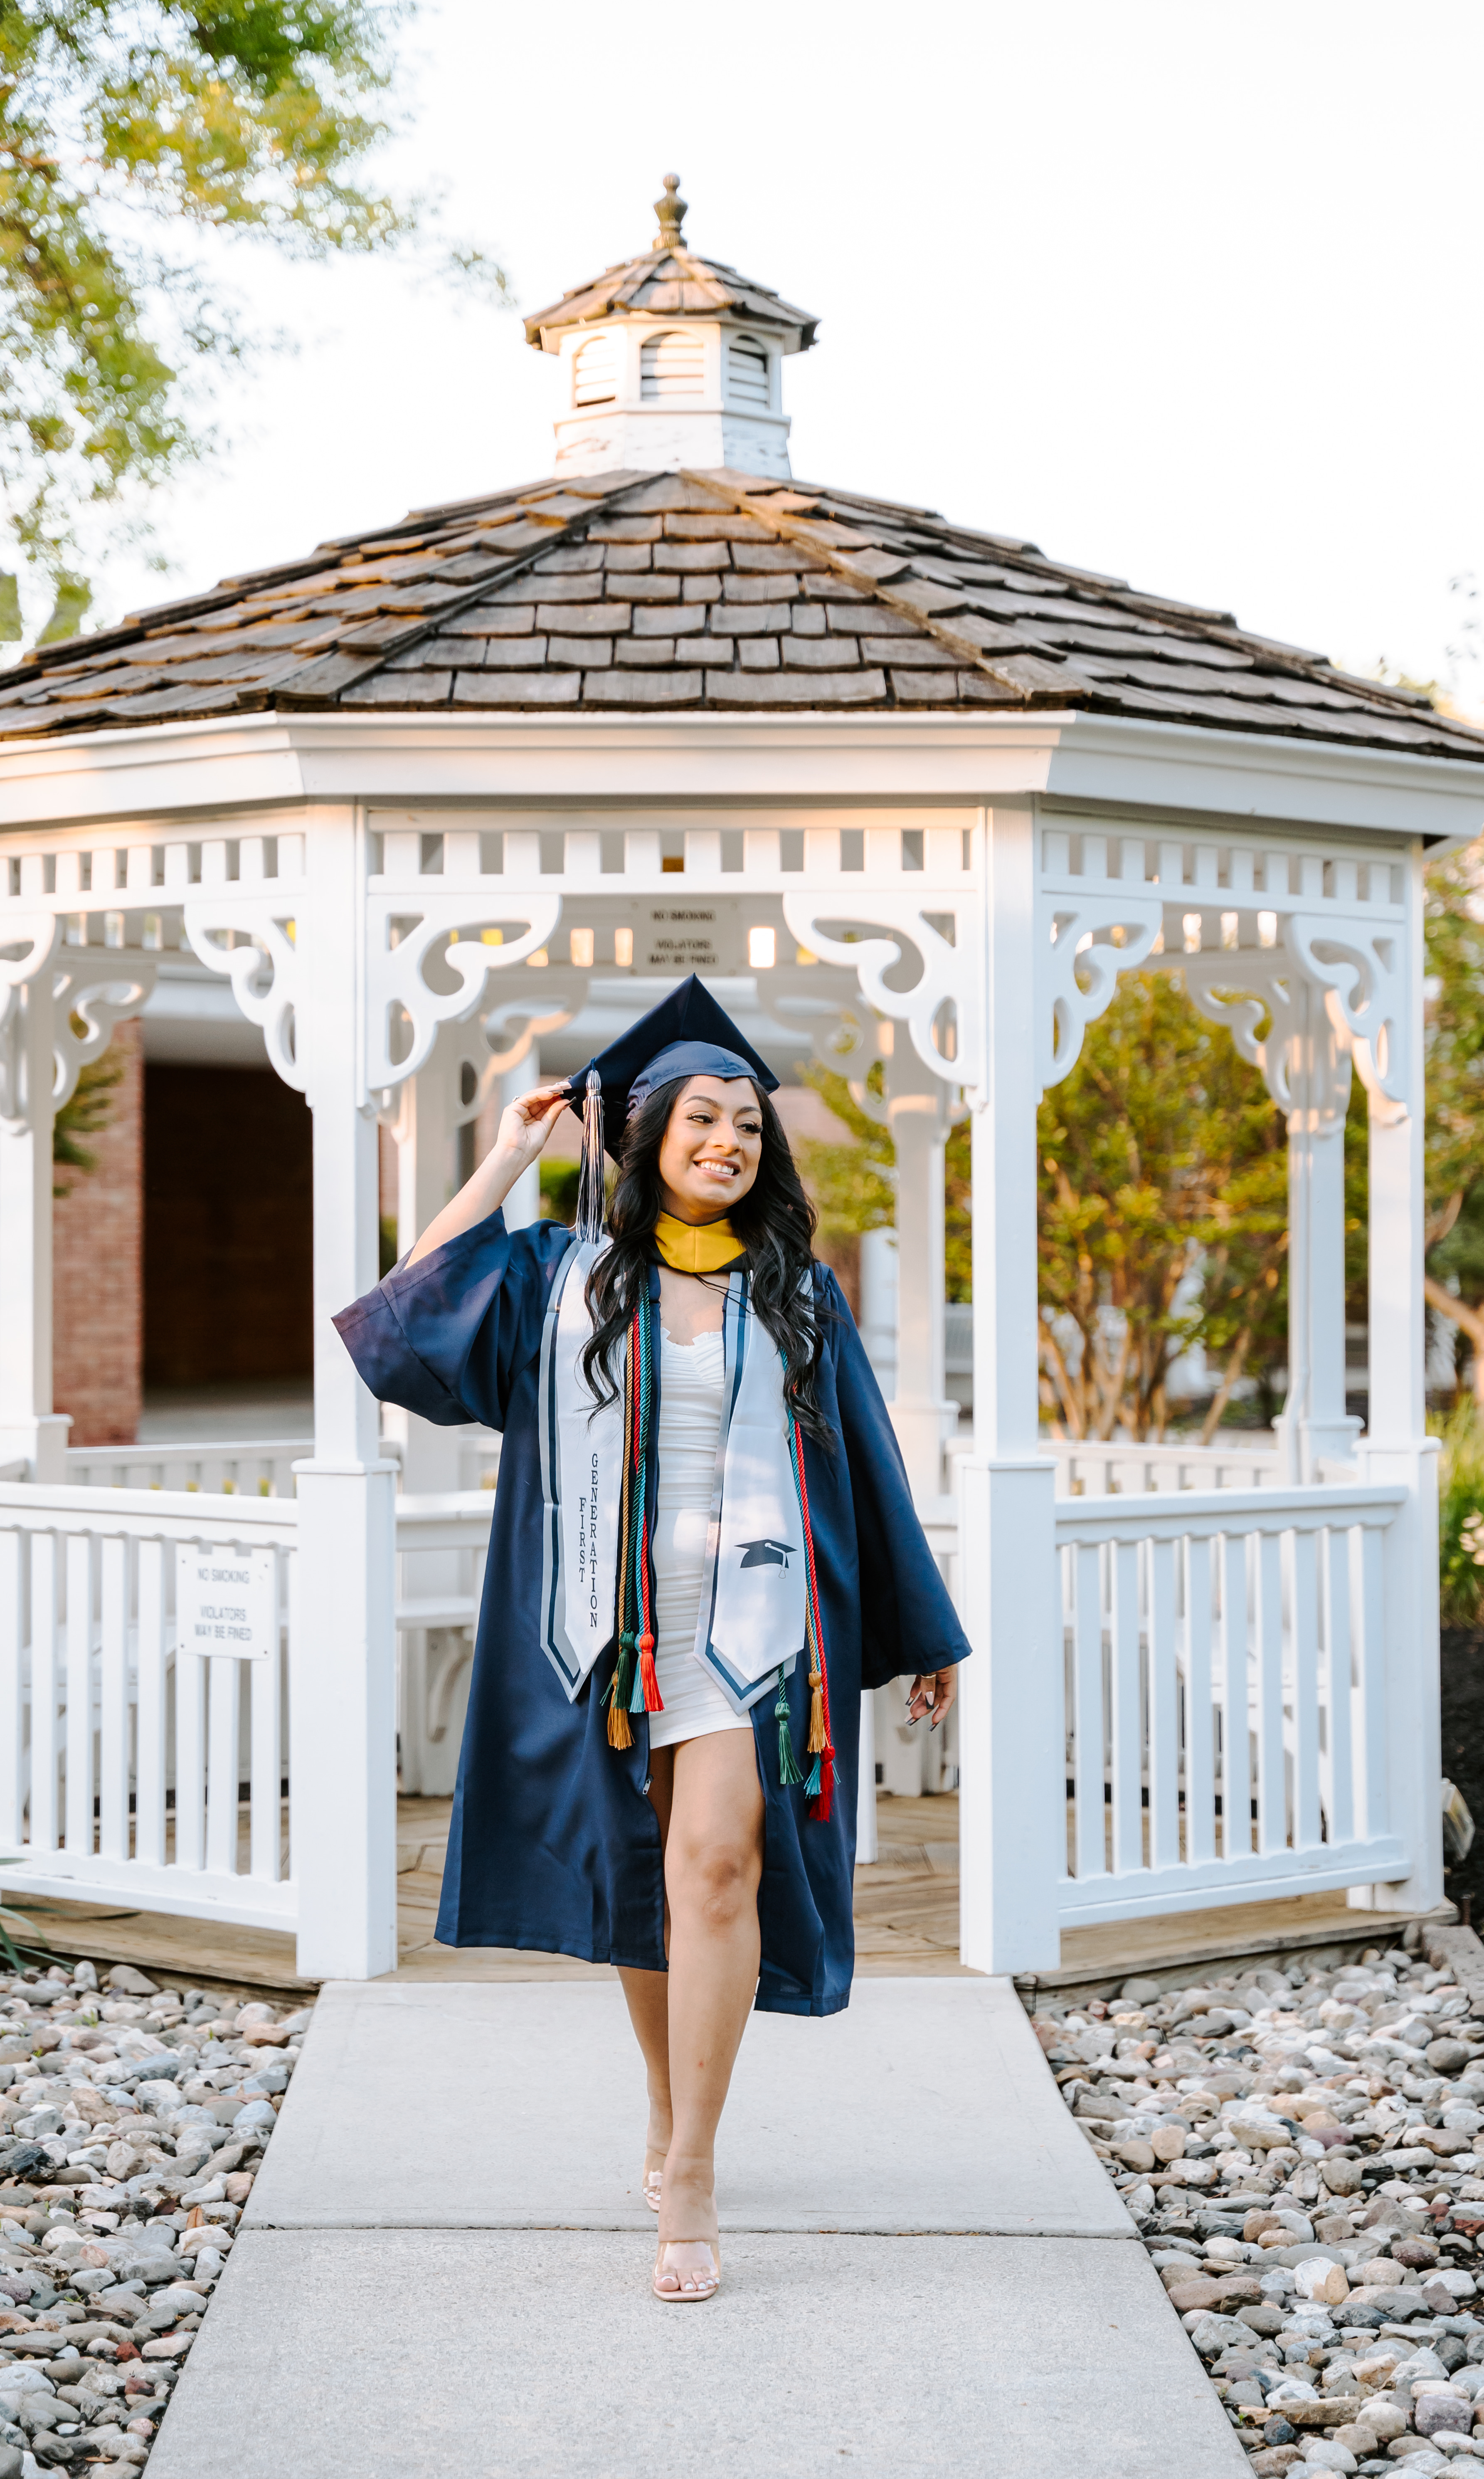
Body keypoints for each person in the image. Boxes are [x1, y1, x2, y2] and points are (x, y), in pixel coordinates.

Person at [335, 977, 969, 2304]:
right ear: (645, 1139)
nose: (727, 1143)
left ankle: (692, 2173)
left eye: (746, 1124)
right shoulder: (562, 1278)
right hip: (605, 1631)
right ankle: (667, 2106)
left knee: (720, 1869)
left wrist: (926, 1631)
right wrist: (508, 1156)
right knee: (644, 1881)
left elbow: (866, 1456)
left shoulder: (798, 1291)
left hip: (755, 1628)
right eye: (700, 1120)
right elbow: (404, 1319)